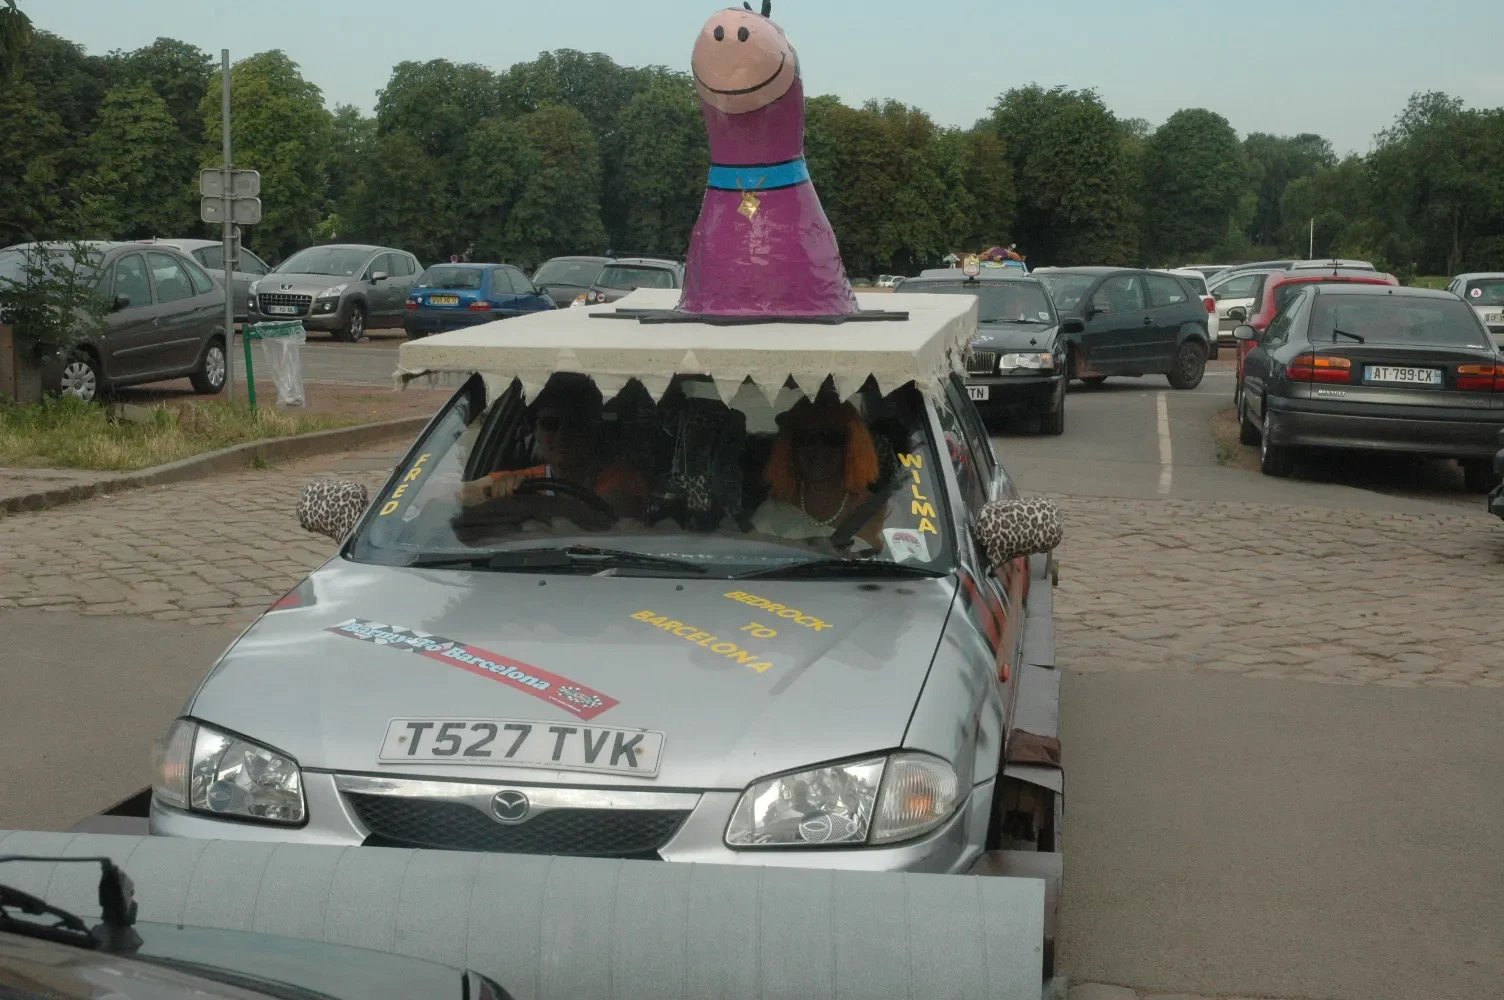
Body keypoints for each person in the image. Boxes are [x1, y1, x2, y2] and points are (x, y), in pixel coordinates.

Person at [457, 375, 648, 521]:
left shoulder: (621, 478)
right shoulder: (524, 480)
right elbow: (460, 496)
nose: (562, 435)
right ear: (535, 431)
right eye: (550, 424)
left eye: (574, 424)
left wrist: (524, 504)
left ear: (592, 431)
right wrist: (495, 492)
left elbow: (613, 513)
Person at [751, 393, 887, 552]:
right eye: (806, 438)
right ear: (791, 448)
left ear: (852, 447)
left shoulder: (881, 512)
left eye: (831, 439)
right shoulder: (772, 511)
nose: (818, 449)